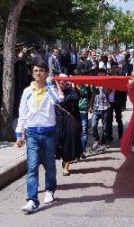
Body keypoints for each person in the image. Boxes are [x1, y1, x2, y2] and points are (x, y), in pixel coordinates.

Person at [15, 60, 64, 214]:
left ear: (46, 73)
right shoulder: (27, 92)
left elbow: (59, 100)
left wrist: (50, 85)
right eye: (35, 71)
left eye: (41, 71)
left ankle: (49, 190)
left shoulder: (51, 90)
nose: (38, 73)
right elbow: (22, 114)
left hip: (49, 133)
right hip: (32, 134)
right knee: (32, 167)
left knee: (50, 165)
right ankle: (32, 200)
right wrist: (19, 133)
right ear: (33, 73)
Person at [55, 75, 83, 176]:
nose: (61, 84)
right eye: (59, 82)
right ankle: (63, 160)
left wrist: (73, 84)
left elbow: (76, 97)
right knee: (58, 143)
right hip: (57, 122)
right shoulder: (53, 92)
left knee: (68, 143)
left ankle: (66, 165)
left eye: (63, 82)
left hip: (68, 121)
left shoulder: (71, 91)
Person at [89, 68, 111, 149]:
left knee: (105, 127)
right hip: (96, 108)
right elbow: (93, 95)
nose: (100, 74)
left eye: (102, 73)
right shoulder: (95, 83)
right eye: (99, 73)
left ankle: (103, 141)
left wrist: (104, 86)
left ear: (105, 74)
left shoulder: (108, 82)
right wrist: (90, 106)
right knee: (93, 125)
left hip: (105, 108)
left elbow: (109, 92)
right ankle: (96, 139)